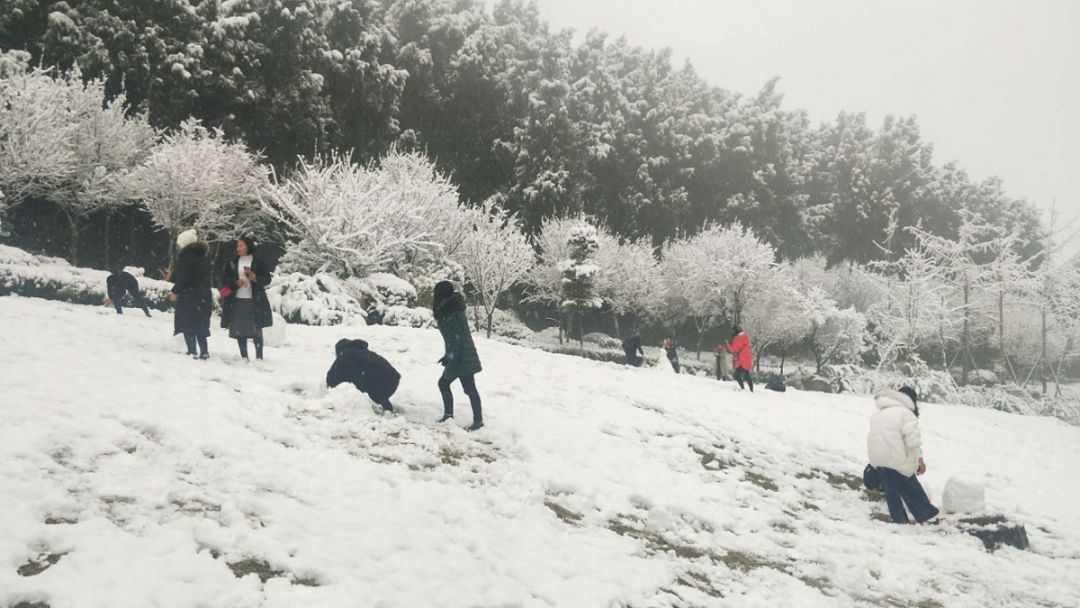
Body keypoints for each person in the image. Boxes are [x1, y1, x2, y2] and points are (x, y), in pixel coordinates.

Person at [867, 387, 940, 524]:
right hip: (896, 457)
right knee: (911, 486)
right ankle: (927, 515)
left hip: (878, 458)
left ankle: (899, 519)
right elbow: (912, 441)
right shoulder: (906, 413)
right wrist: (917, 461)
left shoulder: (879, 413)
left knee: (891, 490)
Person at [432, 281, 484, 431]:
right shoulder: (449, 309)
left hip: (462, 356)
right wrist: (447, 355)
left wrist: (450, 356)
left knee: (455, 385)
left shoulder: (450, 313)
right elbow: (453, 337)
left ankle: (476, 420)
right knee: (467, 387)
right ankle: (470, 419)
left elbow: (456, 338)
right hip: (460, 354)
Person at [220, 236, 274, 361]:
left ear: (248, 246)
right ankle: (244, 356)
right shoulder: (233, 262)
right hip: (237, 299)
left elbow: (267, 279)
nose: (238, 248)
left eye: (241, 245)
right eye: (237, 246)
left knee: (256, 328)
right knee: (240, 329)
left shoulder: (257, 261)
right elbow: (224, 278)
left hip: (254, 299)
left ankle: (259, 356)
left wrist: (255, 278)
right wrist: (235, 283)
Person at [168, 229, 212, 359]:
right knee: (201, 325)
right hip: (203, 294)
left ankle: (192, 351)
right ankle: (204, 351)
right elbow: (195, 275)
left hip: (189, 296)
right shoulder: (202, 257)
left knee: (187, 324)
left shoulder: (186, 257)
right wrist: (172, 277)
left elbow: (186, 277)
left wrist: (175, 290)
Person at [326, 338, 401, 413]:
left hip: (382, 379)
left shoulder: (345, 354)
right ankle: (386, 406)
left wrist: (330, 386)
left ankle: (387, 410)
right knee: (371, 384)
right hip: (392, 378)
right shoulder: (359, 351)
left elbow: (338, 372)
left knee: (368, 385)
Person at [726, 327, 754, 392]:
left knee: (736, 375)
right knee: (746, 374)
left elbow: (733, 349)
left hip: (742, 359)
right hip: (747, 356)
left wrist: (728, 344)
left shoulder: (737, 339)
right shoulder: (745, 337)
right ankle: (751, 389)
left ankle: (742, 388)